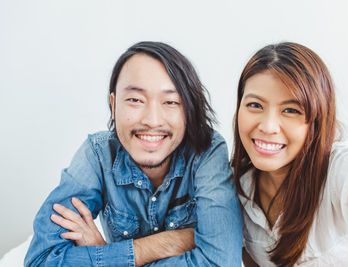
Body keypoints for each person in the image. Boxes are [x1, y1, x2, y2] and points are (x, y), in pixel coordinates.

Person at [25, 41, 242, 266]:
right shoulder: (98, 154)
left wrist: (107, 255)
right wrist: (161, 244)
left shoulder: (206, 150)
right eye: (135, 100)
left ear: (188, 110)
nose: (152, 120)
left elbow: (222, 262)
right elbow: (40, 260)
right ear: (113, 104)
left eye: (171, 101)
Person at [231, 42, 348, 266]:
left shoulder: (337, 173)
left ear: (317, 120)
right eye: (255, 105)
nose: (268, 126)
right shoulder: (234, 186)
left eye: (291, 110)